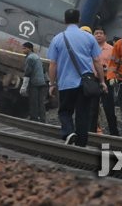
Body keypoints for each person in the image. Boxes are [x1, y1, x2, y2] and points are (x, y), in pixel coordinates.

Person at [47, 9, 107, 146]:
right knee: (83, 113)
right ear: (79, 19)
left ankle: (69, 132)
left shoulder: (57, 39)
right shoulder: (89, 37)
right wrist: (102, 81)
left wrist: (52, 83)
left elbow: (53, 64)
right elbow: (97, 61)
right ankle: (81, 144)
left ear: (64, 20)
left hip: (65, 83)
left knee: (65, 111)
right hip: (84, 83)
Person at [92, 26, 119, 136]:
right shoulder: (90, 48)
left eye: (101, 33)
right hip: (93, 80)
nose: (98, 35)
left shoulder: (111, 49)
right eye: (96, 33)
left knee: (109, 108)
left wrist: (108, 69)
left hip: (107, 80)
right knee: (93, 107)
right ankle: (92, 131)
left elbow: (115, 64)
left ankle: (114, 132)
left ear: (105, 36)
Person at [20, 42, 47, 123]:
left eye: (24, 48)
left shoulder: (30, 58)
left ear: (30, 49)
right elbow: (43, 69)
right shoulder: (36, 57)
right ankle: (42, 119)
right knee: (41, 102)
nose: (23, 50)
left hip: (34, 82)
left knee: (33, 101)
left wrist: (24, 86)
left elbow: (28, 72)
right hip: (42, 82)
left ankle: (34, 118)